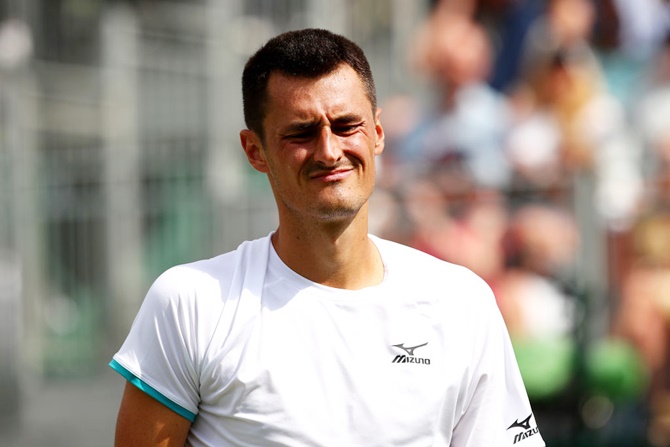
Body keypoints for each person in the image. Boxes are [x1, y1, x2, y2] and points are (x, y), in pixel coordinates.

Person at [110, 28, 545, 447]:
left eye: (345, 125)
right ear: (254, 150)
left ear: (377, 132)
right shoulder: (191, 303)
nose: (328, 150)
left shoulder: (460, 301)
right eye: (300, 132)